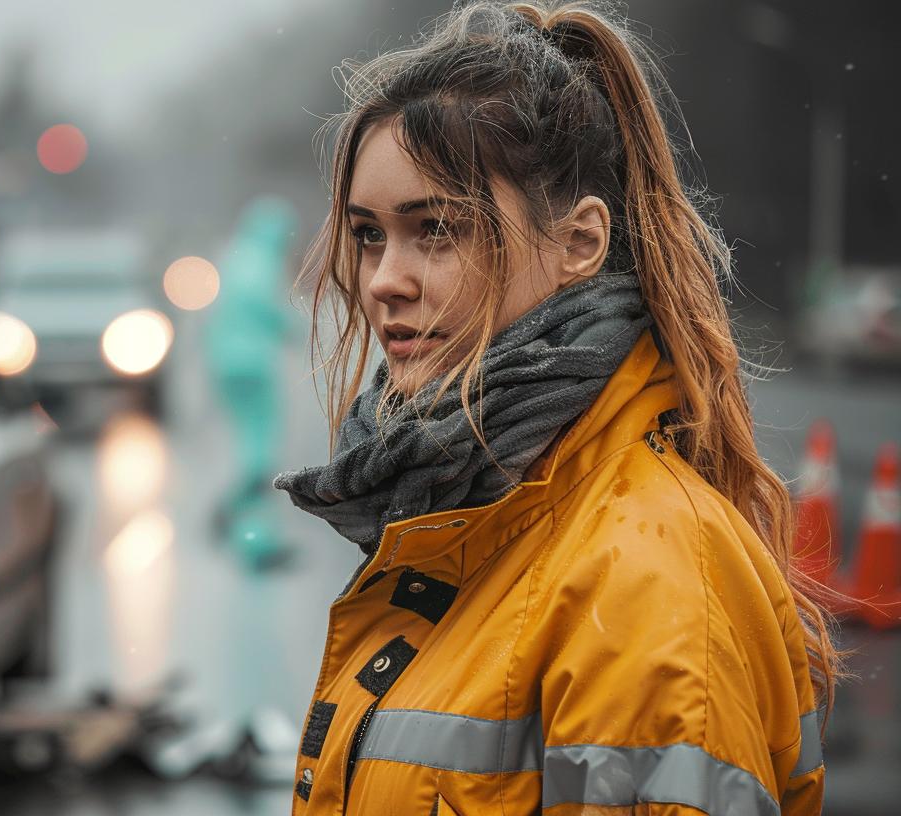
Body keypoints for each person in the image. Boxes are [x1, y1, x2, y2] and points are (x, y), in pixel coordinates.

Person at [273, 3, 838, 813]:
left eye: (436, 229)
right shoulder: (464, 512)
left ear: (579, 243)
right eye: (369, 235)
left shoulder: (646, 581)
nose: (381, 280)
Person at [204, 195, 300, 570]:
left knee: (246, 443)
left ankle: (249, 532)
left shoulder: (234, 256)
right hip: (254, 364)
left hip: (225, 362)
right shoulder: (261, 262)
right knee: (259, 452)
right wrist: (292, 327)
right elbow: (260, 304)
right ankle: (254, 536)